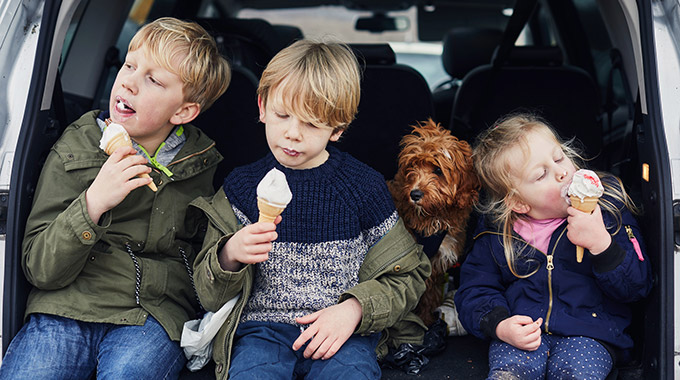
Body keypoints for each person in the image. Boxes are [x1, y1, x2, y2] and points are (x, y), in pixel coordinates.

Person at [0, 17, 230, 379]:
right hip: (66, 306)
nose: (129, 82)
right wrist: (93, 202)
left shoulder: (200, 167)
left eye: (153, 80)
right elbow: (38, 267)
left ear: (183, 112)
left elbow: (202, 273)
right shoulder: (74, 150)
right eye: (129, 65)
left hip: (151, 315)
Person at [190, 39, 431, 379]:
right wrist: (229, 255)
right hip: (261, 332)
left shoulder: (363, 188)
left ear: (338, 129)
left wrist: (355, 309)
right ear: (262, 106)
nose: (292, 134)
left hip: (342, 334)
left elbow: (409, 274)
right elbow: (206, 292)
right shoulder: (240, 188)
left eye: (312, 124)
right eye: (282, 115)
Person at [454, 113, 653, 379]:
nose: (562, 172)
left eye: (559, 158)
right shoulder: (498, 233)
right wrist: (500, 324)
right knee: (510, 373)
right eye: (541, 175)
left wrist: (601, 244)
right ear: (519, 203)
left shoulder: (608, 212)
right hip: (524, 336)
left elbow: (638, 286)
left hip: (589, 336)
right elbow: (474, 289)